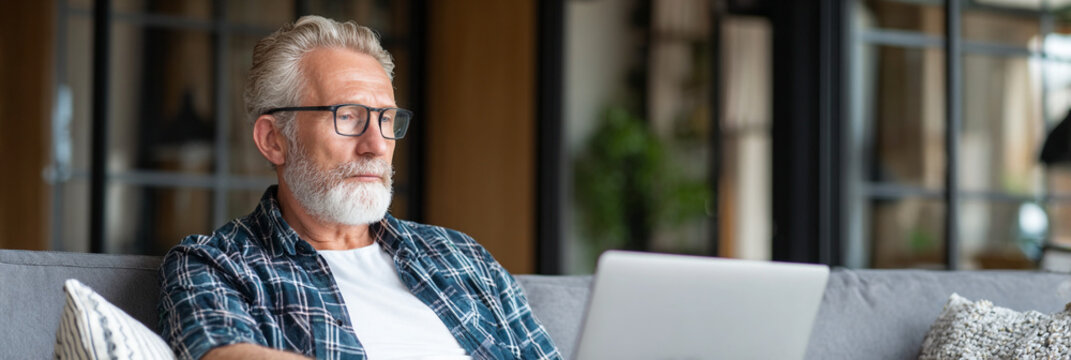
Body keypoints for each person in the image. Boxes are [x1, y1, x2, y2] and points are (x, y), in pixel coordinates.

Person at [157, 15, 561, 360]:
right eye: (348, 116)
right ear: (273, 139)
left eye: (386, 120)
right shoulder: (217, 265)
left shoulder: (462, 257)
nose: (377, 145)